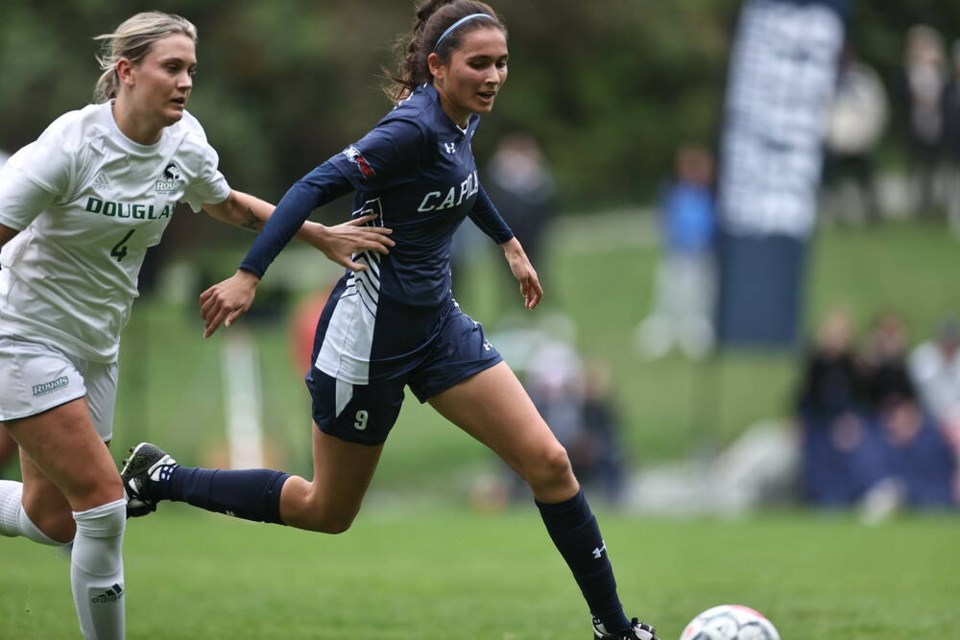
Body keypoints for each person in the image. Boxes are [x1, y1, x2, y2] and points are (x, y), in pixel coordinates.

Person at [120, 3, 658, 639]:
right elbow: (310, 187)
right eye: (479, 64)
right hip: (366, 344)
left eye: (501, 63)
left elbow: (464, 179)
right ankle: (162, 477)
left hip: (438, 329)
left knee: (550, 463)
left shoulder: (463, 118)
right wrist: (249, 274)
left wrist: (508, 242)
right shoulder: (409, 130)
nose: (493, 76)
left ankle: (615, 630)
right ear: (437, 67)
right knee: (327, 510)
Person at [0, 12, 393, 640]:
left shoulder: (184, 144)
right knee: (103, 506)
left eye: (191, 70)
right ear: (126, 72)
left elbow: (227, 203)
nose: (186, 82)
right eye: (172, 67)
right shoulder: (70, 145)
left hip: (95, 346)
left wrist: (316, 233)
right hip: (19, 334)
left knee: (57, 519)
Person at [634, 143, 717, 360]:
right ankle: (662, 336)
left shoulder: (708, 195)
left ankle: (696, 338)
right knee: (669, 296)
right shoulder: (676, 192)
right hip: (677, 254)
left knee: (698, 299)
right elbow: (669, 222)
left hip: (701, 255)